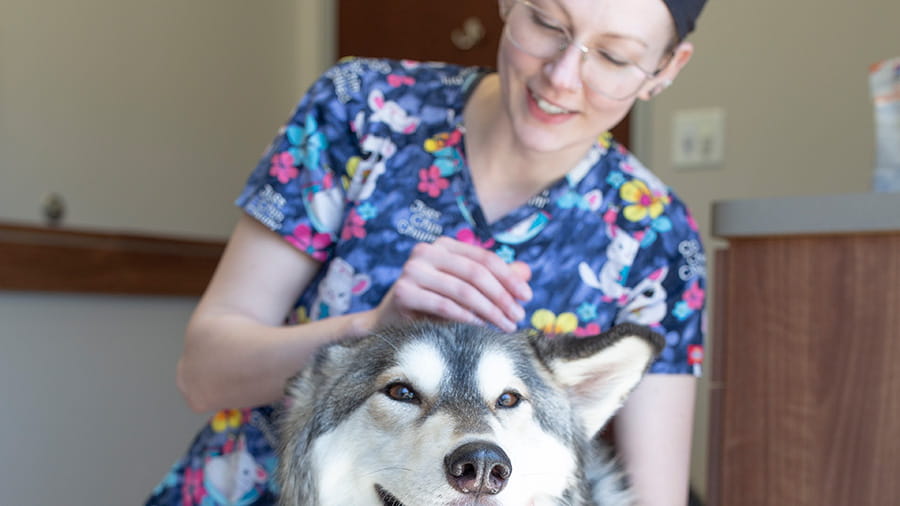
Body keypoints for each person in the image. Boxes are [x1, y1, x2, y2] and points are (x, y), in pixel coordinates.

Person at [146, 0, 708, 504]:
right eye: (547, 23)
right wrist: (371, 329)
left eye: (612, 57)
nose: (562, 77)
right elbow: (201, 374)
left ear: (666, 69)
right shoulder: (361, 110)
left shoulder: (655, 236)